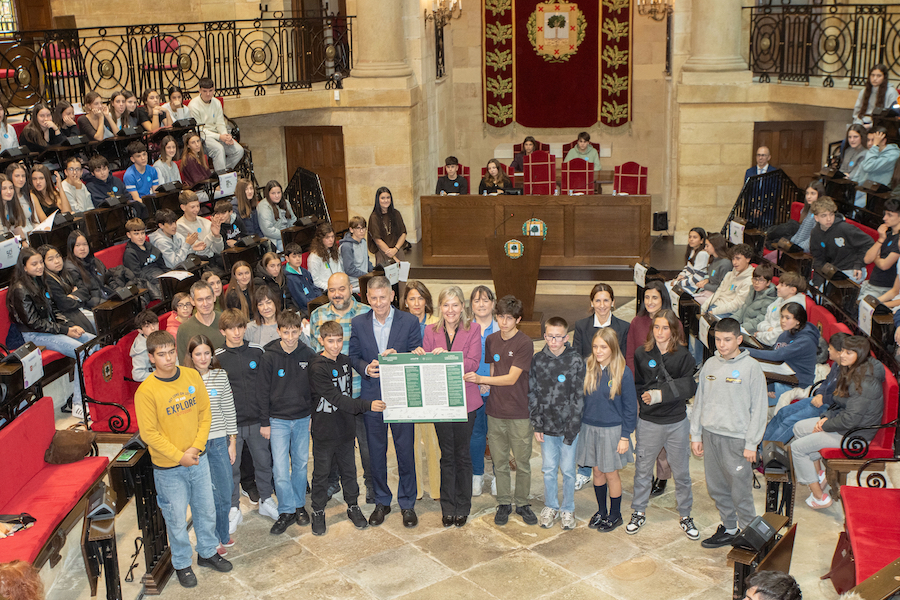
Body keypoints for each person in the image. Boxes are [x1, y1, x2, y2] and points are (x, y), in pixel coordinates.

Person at [134, 330, 233, 587]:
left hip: (198, 459)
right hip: (169, 468)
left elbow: (204, 413)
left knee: (206, 510)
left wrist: (196, 448)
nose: (168, 358)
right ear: (151, 357)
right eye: (161, 354)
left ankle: (208, 551)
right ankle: (182, 563)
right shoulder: (146, 392)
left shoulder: (191, 376)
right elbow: (150, 434)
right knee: (176, 519)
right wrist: (180, 456)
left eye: (170, 352)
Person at [350, 276, 423, 527]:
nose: (379, 302)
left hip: (401, 395)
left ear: (392, 296)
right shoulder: (358, 323)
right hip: (372, 395)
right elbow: (353, 356)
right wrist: (366, 369)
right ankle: (382, 501)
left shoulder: (409, 321)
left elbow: (416, 353)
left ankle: (407, 503)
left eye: (383, 297)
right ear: (367, 298)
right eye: (373, 298)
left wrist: (400, 357)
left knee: (405, 450)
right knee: (375, 452)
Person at [691, 318, 767, 548]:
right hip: (711, 434)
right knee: (717, 487)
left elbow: (759, 409)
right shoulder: (710, 365)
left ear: (739, 339)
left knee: (740, 489)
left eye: (727, 340)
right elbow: (700, 401)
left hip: (737, 440)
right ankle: (730, 528)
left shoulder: (751, 368)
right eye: (717, 340)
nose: (721, 345)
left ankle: (749, 534)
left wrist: (752, 443)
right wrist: (696, 434)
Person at [464, 295, 536, 526]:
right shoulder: (492, 340)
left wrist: (482, 378)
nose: (504, 322)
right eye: (501, 317)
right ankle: (504, 502)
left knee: (523, 462)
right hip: (495, 409)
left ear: (518, 319)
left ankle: (522, 502)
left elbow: (513, 378)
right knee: (500, 460)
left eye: (509, 318)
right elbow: (495, 370)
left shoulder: (525, 343)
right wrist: (487, 382)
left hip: (519, 411)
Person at [309, 320, 386, 535]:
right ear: (321, 340)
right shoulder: (317, 367)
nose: (335, 346)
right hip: (324, 431)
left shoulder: (344, 361)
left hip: (345, 429)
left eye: (338, 341)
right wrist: (368, 405)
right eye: (330, 341)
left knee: (349, 471)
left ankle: (353, 505)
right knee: (321, 473)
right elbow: (337, 399)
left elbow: (365, 368)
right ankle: (318, 510)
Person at [627, 310, 699, 540]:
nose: (660, 332)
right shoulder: (641, 353)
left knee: (682, 472)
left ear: (673, 331)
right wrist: (643, 401)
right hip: (649, 422)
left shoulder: (684, 356)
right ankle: (638, 511)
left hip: (676, 422)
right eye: (656, 327)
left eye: (665, 328)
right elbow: (638, 384)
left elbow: (688, 388)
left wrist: (659, 395)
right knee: (642, 469)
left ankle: (685, 514)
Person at [791, 335, 885, 509]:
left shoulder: (866, 381)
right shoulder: (852, 370)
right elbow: (839, 402)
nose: (842, 355)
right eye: (842, 351)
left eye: (849, 353)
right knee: (798, 428)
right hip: (845, 425)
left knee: (797, 448)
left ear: (861, 354)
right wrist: (826, 416)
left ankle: (819, 498)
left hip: (856, 435)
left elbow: (851, 419)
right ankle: (819, 474)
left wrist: (825, 425)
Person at [8, 247, 95, 420]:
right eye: (35, 264)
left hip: (50, 329)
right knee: (81, 351)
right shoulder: (20, 289)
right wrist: (66, 330)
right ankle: (78, 403)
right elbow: (33, 323)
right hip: (32, 336)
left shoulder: (40, 281)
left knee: (94, 342)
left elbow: (53, 312)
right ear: (24, 267)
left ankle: (90, 393)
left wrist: (70, 326)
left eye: (40, 262)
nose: (40, 266)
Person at [309, 272, 373, 502]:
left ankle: (371, 485)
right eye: (332, 290)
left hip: (360, 391)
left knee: (367, 447)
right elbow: (313, 354)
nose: (337, 294)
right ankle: (332, 482)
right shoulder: (318, 315)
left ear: (351, 288)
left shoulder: (366, 313)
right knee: (334, 448)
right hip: (331, 399)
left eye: (341, 289)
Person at [422, 286, 483, 527]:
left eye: (455, 305)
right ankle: (448, 506)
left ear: (462, 307)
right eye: (446, 305)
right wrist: (423, 356)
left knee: (463, 454)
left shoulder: (473, 329)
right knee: (446, 455)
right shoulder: (429, 330)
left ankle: (463, 505)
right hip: (440, 401)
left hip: (465, 402)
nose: (450, 310)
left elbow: (473, 363)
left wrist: (447, 355)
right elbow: (426, 364)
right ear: (440, 308)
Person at [215, 308, 276, 531]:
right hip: (231, 427)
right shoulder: (217, 358)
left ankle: (266, 500)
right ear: (223, 331)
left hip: (258, 422)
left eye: (240, 327)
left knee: (264, 463)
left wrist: (265, 419)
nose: (236, 332)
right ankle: (233, 508)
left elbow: (266, 388)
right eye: (231, 328)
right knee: (231, 468)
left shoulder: (257, 352)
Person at [258, 309, 317, 534]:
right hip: (278, 420)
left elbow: (314, 389)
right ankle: (286, 510)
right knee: (281, 469)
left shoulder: (308, 354)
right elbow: (262, 392)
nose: (291, 338)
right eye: (286, 332)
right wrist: (265, 422)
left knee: (301, 464)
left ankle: (299, 505)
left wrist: (312, 414)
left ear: (300, 330)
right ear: (278, 331)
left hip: (302, 418)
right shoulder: (268, 355)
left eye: (294, 332)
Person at [182, 334, 237, 554]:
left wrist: (232, 441)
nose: (203, 358)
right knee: (205, 495)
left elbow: (228, 409)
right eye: (198, 354)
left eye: (207, 353)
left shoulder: (220, 376)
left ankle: (223, 533)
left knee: (226, 490)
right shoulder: (184, 379)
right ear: (191, 356)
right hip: (198, 444)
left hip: (219, 440)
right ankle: (211, 538)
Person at [529, 316, 585, 531]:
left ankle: (568, 507)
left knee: (569, 470)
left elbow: (579, 397)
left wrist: (573, 428)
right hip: (547, 427)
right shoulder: (538, 359)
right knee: (549, 469)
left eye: (558, 337)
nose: (553, 341)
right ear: (544, 336)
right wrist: (537, 423)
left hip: (569, 427)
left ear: (566, 337)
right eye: (549, 336)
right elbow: (532, 391)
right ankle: (551, 505)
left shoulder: (576, 360)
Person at [578, 327, 635, 532]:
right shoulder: (588, 367)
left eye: (603, 347)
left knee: (611, 473)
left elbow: (630, 407)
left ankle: (615, 513)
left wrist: (625, 436)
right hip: (590, 427)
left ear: (612, 347)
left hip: (612, 430)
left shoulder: (622, 371)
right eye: (595, 346)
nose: (598, 351)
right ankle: (601, 511)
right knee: (597, 470)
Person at [762, 331, 847, 446]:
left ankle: (766, 451)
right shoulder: (837, 365)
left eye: (831, 348)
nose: (828, 350)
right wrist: (820, 394)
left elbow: (841, 398)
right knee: (783, 412)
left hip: (829, 407)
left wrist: (823, 399)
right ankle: (760, 445)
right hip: (820, 399)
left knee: (790, 421)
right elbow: (826, 382)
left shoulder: (848, 372)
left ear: (840, 352)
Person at [402, 280, 441, 501]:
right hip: (410, 388)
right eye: (412, 298)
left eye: (420, 298)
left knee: (434, 441)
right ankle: (415, 489)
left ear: (426, 300)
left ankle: (436, 489)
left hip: (432, 388)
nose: (416, 303)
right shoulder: (400, 322)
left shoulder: (438, 322)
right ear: (405, 302)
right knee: (411, 441)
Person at [750, 303, 820, 405]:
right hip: (781, 376)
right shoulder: (787, 332)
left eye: (787, 318)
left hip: (796, 383)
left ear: (798, 321)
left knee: (752, 398)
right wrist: (769, 383)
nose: (783, 320)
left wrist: (747, 351)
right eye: (782, 316)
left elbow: (777, 355)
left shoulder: (806, 340)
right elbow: (774, 356)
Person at [468, 285, 496, 497]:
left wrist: (489, 381)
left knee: (496, 435)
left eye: (485, 300)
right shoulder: (466, 328)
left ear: (493, 304)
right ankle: (476, 475)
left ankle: (497, 476)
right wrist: (477, 382)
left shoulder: (501, 328)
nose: (481, 304)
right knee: (476, 435)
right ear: (471, 306)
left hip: (497, 390)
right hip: (472, 389)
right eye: (477, 301)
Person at [809, 197, 873, 284]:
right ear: (816, 218)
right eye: (824, 215)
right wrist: (817, 281)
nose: (828, 219)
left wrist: (858, 265)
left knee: (830, 290)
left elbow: (869, 243)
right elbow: (818, 259)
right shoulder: (815, 233)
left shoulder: (845, 228)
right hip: (833, 270)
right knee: (812, 289)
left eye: (831, 214)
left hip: (851, 269)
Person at [189, 78, 244, 170]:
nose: (208, 94)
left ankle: (221, 174)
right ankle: (221, 177)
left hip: (218, 134)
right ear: (200, 90)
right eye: (205, 91)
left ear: (214, 89)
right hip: (203, 137)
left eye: (210, 91)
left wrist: (225, 136)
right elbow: (200, 130)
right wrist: (219, 137)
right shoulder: (193, 105)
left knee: (239, 150)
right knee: (219, 149)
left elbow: (220, 123)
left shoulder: (217, 102)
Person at [38, 244, 94, 334]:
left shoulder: (66, 272)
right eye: (50, 259)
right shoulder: (48, 280)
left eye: (58, 256)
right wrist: (77, 298)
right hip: (68, 317)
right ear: (43, 263)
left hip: (81, 308)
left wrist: (73, 297)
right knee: (99, 322)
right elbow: (64, 304)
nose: (57, 261)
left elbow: (85, 290)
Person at [572, 283, 630, 361]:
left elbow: (623, 358)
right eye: (598, 301)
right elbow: (577, 358)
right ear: (592, 303)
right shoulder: (581, 326)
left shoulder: (624, 327)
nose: (602, 305)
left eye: (606, 300)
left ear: (612, 302)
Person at [753, 271, 808, 346]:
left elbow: (776, 337)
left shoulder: (794, 308)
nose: (777, 287)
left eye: (782, 285)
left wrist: (759, 335)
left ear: (793, 290)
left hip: (773, 345)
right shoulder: (780, 299)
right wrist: (768, 329)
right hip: (763, 338)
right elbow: (764, 321)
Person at [176, 281, 226, 362]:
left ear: (214, 297)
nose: (205, 303)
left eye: (208, 298)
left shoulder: (226, 319)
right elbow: (184, 363)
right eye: (200, 300)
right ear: (192, 301)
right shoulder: (184, 329)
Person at [860, 197, 900, 299]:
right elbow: (867, 259)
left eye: (889, 215)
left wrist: (876, 257)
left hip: (883, 289)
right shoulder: (888, 235)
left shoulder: (899, 241)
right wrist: (881, 239)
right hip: (871, 284)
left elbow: (884, 265)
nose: (884, 218)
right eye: (885, 214)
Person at [700, 243, 754, 317]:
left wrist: (714, 311)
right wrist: (705, 306)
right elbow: (718, 293)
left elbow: (737, 305)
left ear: (748, 259)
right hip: (716, 306)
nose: (734, 262)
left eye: (738, 258)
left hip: (729, 313)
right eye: (733, 259)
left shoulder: (749, 280)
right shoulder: (729, 274)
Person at [64, 231, 115, 308]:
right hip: (93, 305)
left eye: (85, 244)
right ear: (71, 248)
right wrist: (105, 304)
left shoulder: (94, 260)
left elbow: (109, 277)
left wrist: (118, 292)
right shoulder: (71, 268)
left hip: (106, 296)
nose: (82, 248)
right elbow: (84, 295)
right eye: (77, 245)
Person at [854, 127, 900, 207]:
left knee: (856, 206)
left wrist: (874, 146)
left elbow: (868, 166)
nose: (869, 143)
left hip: (880, 195)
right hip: (867, 189)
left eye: (873, 140)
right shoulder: (873, 152)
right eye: (868, 140)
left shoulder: (893, 155)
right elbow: (862, 171)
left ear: (884, 140)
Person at [123, 218, 167, 299]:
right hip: (148, 282)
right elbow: (138, 276)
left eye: (142, 233)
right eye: (136, 234)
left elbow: (162, 265)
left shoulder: (150, 246)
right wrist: (159, 279)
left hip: (160, 276)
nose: (140, 237)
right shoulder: (130, 253)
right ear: (129, 235)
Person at [176, 190, 225, 260]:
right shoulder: (180, 226)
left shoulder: (205, 222)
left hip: (214, 258)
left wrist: (217, 236)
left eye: (198, 206)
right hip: (199, 260)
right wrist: (211, 236)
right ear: (183, 207)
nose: (196, 210)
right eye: (192, 207)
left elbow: (218, 250)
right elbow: (200, 250)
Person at [733, 262, 777, 334]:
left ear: (768, 283)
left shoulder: (770, 300)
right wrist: (730, 321)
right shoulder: (753, 290)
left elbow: (758, 322)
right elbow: (742, 309)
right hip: (741, 327)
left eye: (760, 280)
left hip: (752, 332)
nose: (756, 282)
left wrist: (738, 328)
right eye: (755, 279)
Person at [368, 186, 407, 264]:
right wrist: (393, 256)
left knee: (402, 275)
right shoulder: (374, 217)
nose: (386, 200)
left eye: (388, 197)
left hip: (397, 250)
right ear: (378, 200)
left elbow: (403, 233)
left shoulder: (396, 213)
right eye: (382, 198)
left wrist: (396, 249)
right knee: (384, 276)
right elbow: (377, 240)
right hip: (383, 252)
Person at [257, 180, 295, 252]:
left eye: (278, 192)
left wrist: (292, 233)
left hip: (288, 235)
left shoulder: (285, 202)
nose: (277, 196)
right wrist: (286, 235)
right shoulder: (264, 206)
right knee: (290, 250)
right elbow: (268, 229)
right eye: (273, 193)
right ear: (268, 194)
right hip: (274, 239)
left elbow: (293, 220)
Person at [308, 222, 345, 292]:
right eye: (327, 237)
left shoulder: (333, 251)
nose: (331, 240)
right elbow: (315, 281)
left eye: (332, 236)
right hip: (325, 290)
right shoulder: (314, 257)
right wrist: (330, 288)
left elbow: (340, 270)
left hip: (338, 286)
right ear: (320, 239)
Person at [283, 243, 320, 314]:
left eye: (299, 256)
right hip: (305, 309)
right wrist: (316, 301)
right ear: (287, 258)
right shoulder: (290, 278)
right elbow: (302, 300)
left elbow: (314, 287)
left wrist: (319, 297)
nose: (298, 259)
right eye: (294, 257)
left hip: (315, 302)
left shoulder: (304, 271)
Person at [341, 215, 373, 293]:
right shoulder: (347, 246)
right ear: (351, 230)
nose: (362, 231)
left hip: (364, 279)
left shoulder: (363, 242)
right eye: (358, 228)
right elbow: (349, 269)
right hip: (353, 283)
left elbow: (367, 261)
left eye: (363, 228)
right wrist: (367, 276)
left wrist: (373, 271)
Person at [7, 162, 44, 228]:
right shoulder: (7, 199)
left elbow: (34, 221)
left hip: (32, 233)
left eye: (23, 176)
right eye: (17, 176)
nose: (21, 179)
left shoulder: (29, 196)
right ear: (10, 176)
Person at [130, 310, 159, 382]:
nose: (153, 328)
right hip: (154, 382)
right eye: (147, 326)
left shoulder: (160, 336)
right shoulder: (141, 350)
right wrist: (159, 375)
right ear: (140, 331)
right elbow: (137, 375)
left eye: (154, 324)